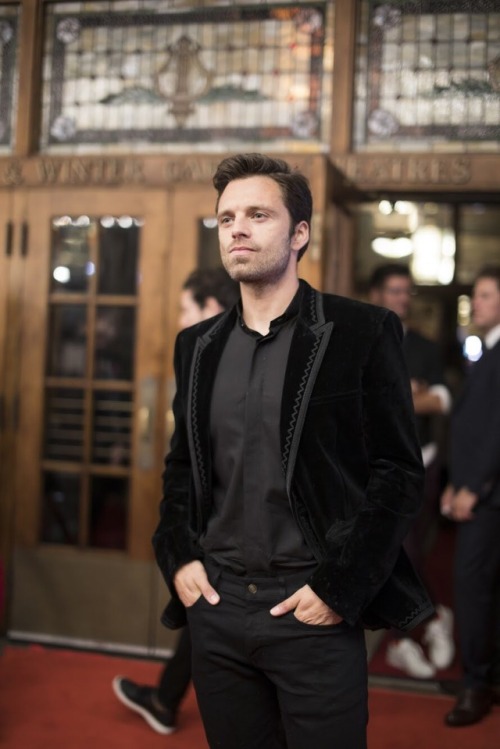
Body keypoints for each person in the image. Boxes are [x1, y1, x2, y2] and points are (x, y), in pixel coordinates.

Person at [152, 153, 433, 749]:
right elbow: (182, 468)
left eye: (258, 214)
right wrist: (177, 557)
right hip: (218, 607)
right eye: (226, 218)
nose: (238, 229)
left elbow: (398, 472)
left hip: (312, 608)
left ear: (299, 232)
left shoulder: (361, 331)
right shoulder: (196, 346)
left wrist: (339, 589)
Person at [112, 267, 239, 734]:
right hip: (210, 519)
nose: (180, 319)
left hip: (229, 521)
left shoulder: (226, 356)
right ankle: (166, 698)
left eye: (186, 309)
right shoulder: (201, 354)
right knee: (202, 603)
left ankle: (167, 700)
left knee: (208, 605)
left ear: (209, 309)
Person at [368, 263, 454, 679]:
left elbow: (441, 401)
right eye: (394, 290)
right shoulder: (361, 340)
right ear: (377, 294)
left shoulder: (424, 346)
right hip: (372, 465)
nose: (402, 298)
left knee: (408, 549)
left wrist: (395, 396)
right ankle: (422, 625)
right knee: (389, 551)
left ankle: (422, 626)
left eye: (407, 291)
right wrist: (408, 392)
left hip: (421, 459)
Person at [440, 265, 500, 727]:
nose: (475, 303)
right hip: (476, 489)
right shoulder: (488, 352)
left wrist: (472, 487)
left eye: (483, 295)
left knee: (474, 589)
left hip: (488, 496)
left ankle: (477, 684)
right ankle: (483, 676)